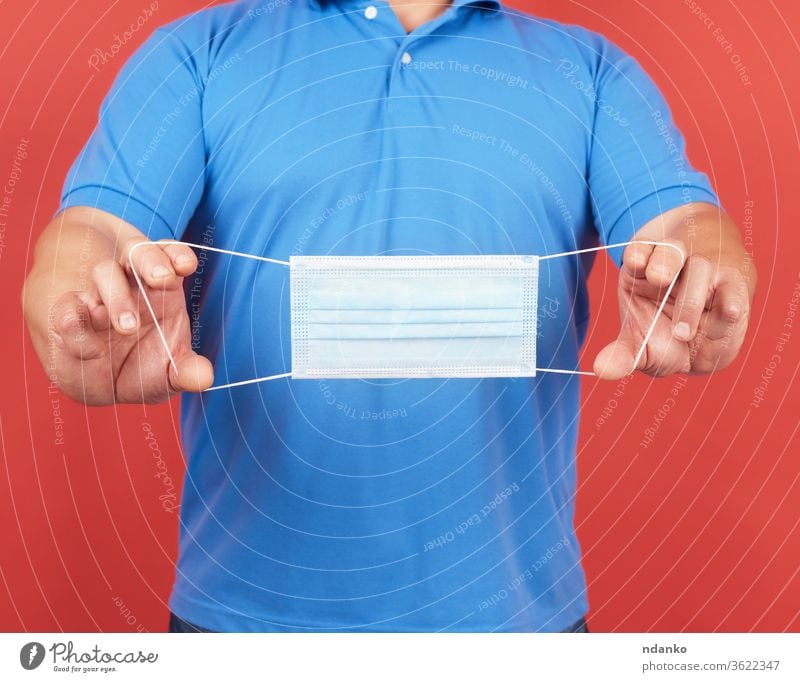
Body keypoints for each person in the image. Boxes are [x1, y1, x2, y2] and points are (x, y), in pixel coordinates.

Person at [22, 0, 754, 632]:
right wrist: (78, 298)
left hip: (519, 629)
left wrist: (700, 275)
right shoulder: (200, 52)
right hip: (240, 625)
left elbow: (687, 220)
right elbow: (97, 229)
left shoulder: (592, 71)